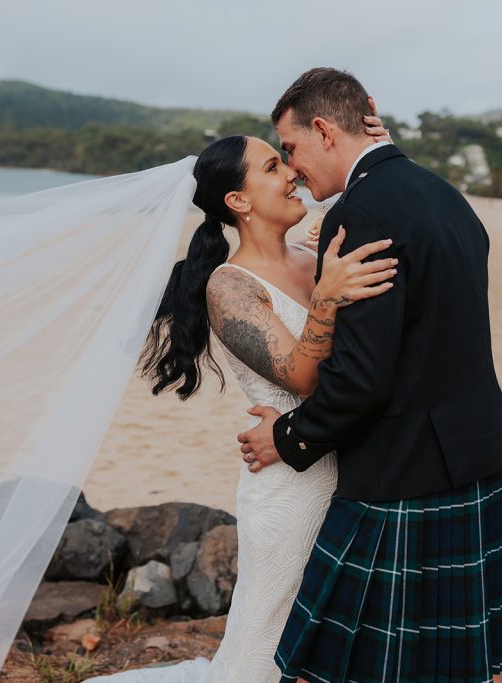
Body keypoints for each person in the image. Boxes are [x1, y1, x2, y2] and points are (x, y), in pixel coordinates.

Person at [236, 67, 502, 683]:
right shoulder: (441, 192)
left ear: (325, 130)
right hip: (470, 454)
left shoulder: (360, 213)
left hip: (401, 468)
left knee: (339, 667)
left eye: (292, 148)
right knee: (455, 664)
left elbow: (362, 378)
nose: (294, 168)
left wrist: (290, 438)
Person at [93, 121, 396, 683]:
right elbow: (303, 377)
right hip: (291, 485)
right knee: (272, 634)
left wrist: (374, 144)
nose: (291, 174)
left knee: (334, 636)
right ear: (237, 201)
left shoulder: (315, 260)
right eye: (272, 167)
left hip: (350, 470)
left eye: (286, 162)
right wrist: (327, 299)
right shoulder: (229, 286)